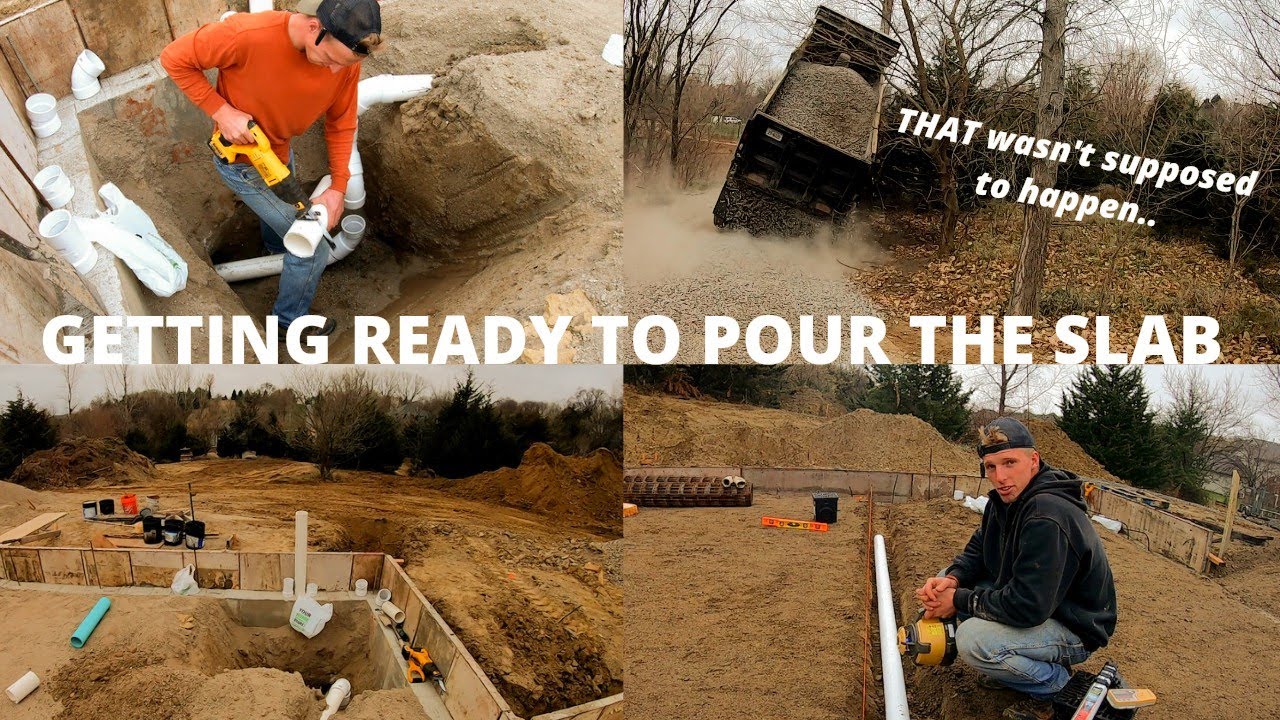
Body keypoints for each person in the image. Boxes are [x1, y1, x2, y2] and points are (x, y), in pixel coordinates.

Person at [160, 0, 382, 338]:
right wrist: (222, 111)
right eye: (331, 60)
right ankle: (287, 322)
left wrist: (338, 187)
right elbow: (174, 58)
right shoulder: (249, 35)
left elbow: (341, 121)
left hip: (278, 153)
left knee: (281, 219)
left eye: (344, 65)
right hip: (244, 164)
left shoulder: (345, 59)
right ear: (313, 28)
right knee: (314, 248)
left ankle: (276, 250)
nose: (336, 72)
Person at [916, 417, 1118, 720]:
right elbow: (978, 551)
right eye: (991, 467)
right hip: (1044, 604)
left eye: (1010, 463)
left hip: (1075, 625)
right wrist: (954, 580)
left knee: (973, 640)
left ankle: (1056, 686)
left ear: (1033, 460)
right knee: (948, 577)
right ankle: (1017, 667)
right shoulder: (1007, 500)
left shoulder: (1047, 515)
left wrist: (957, 601)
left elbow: (1028, 607)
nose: (1000, 476)